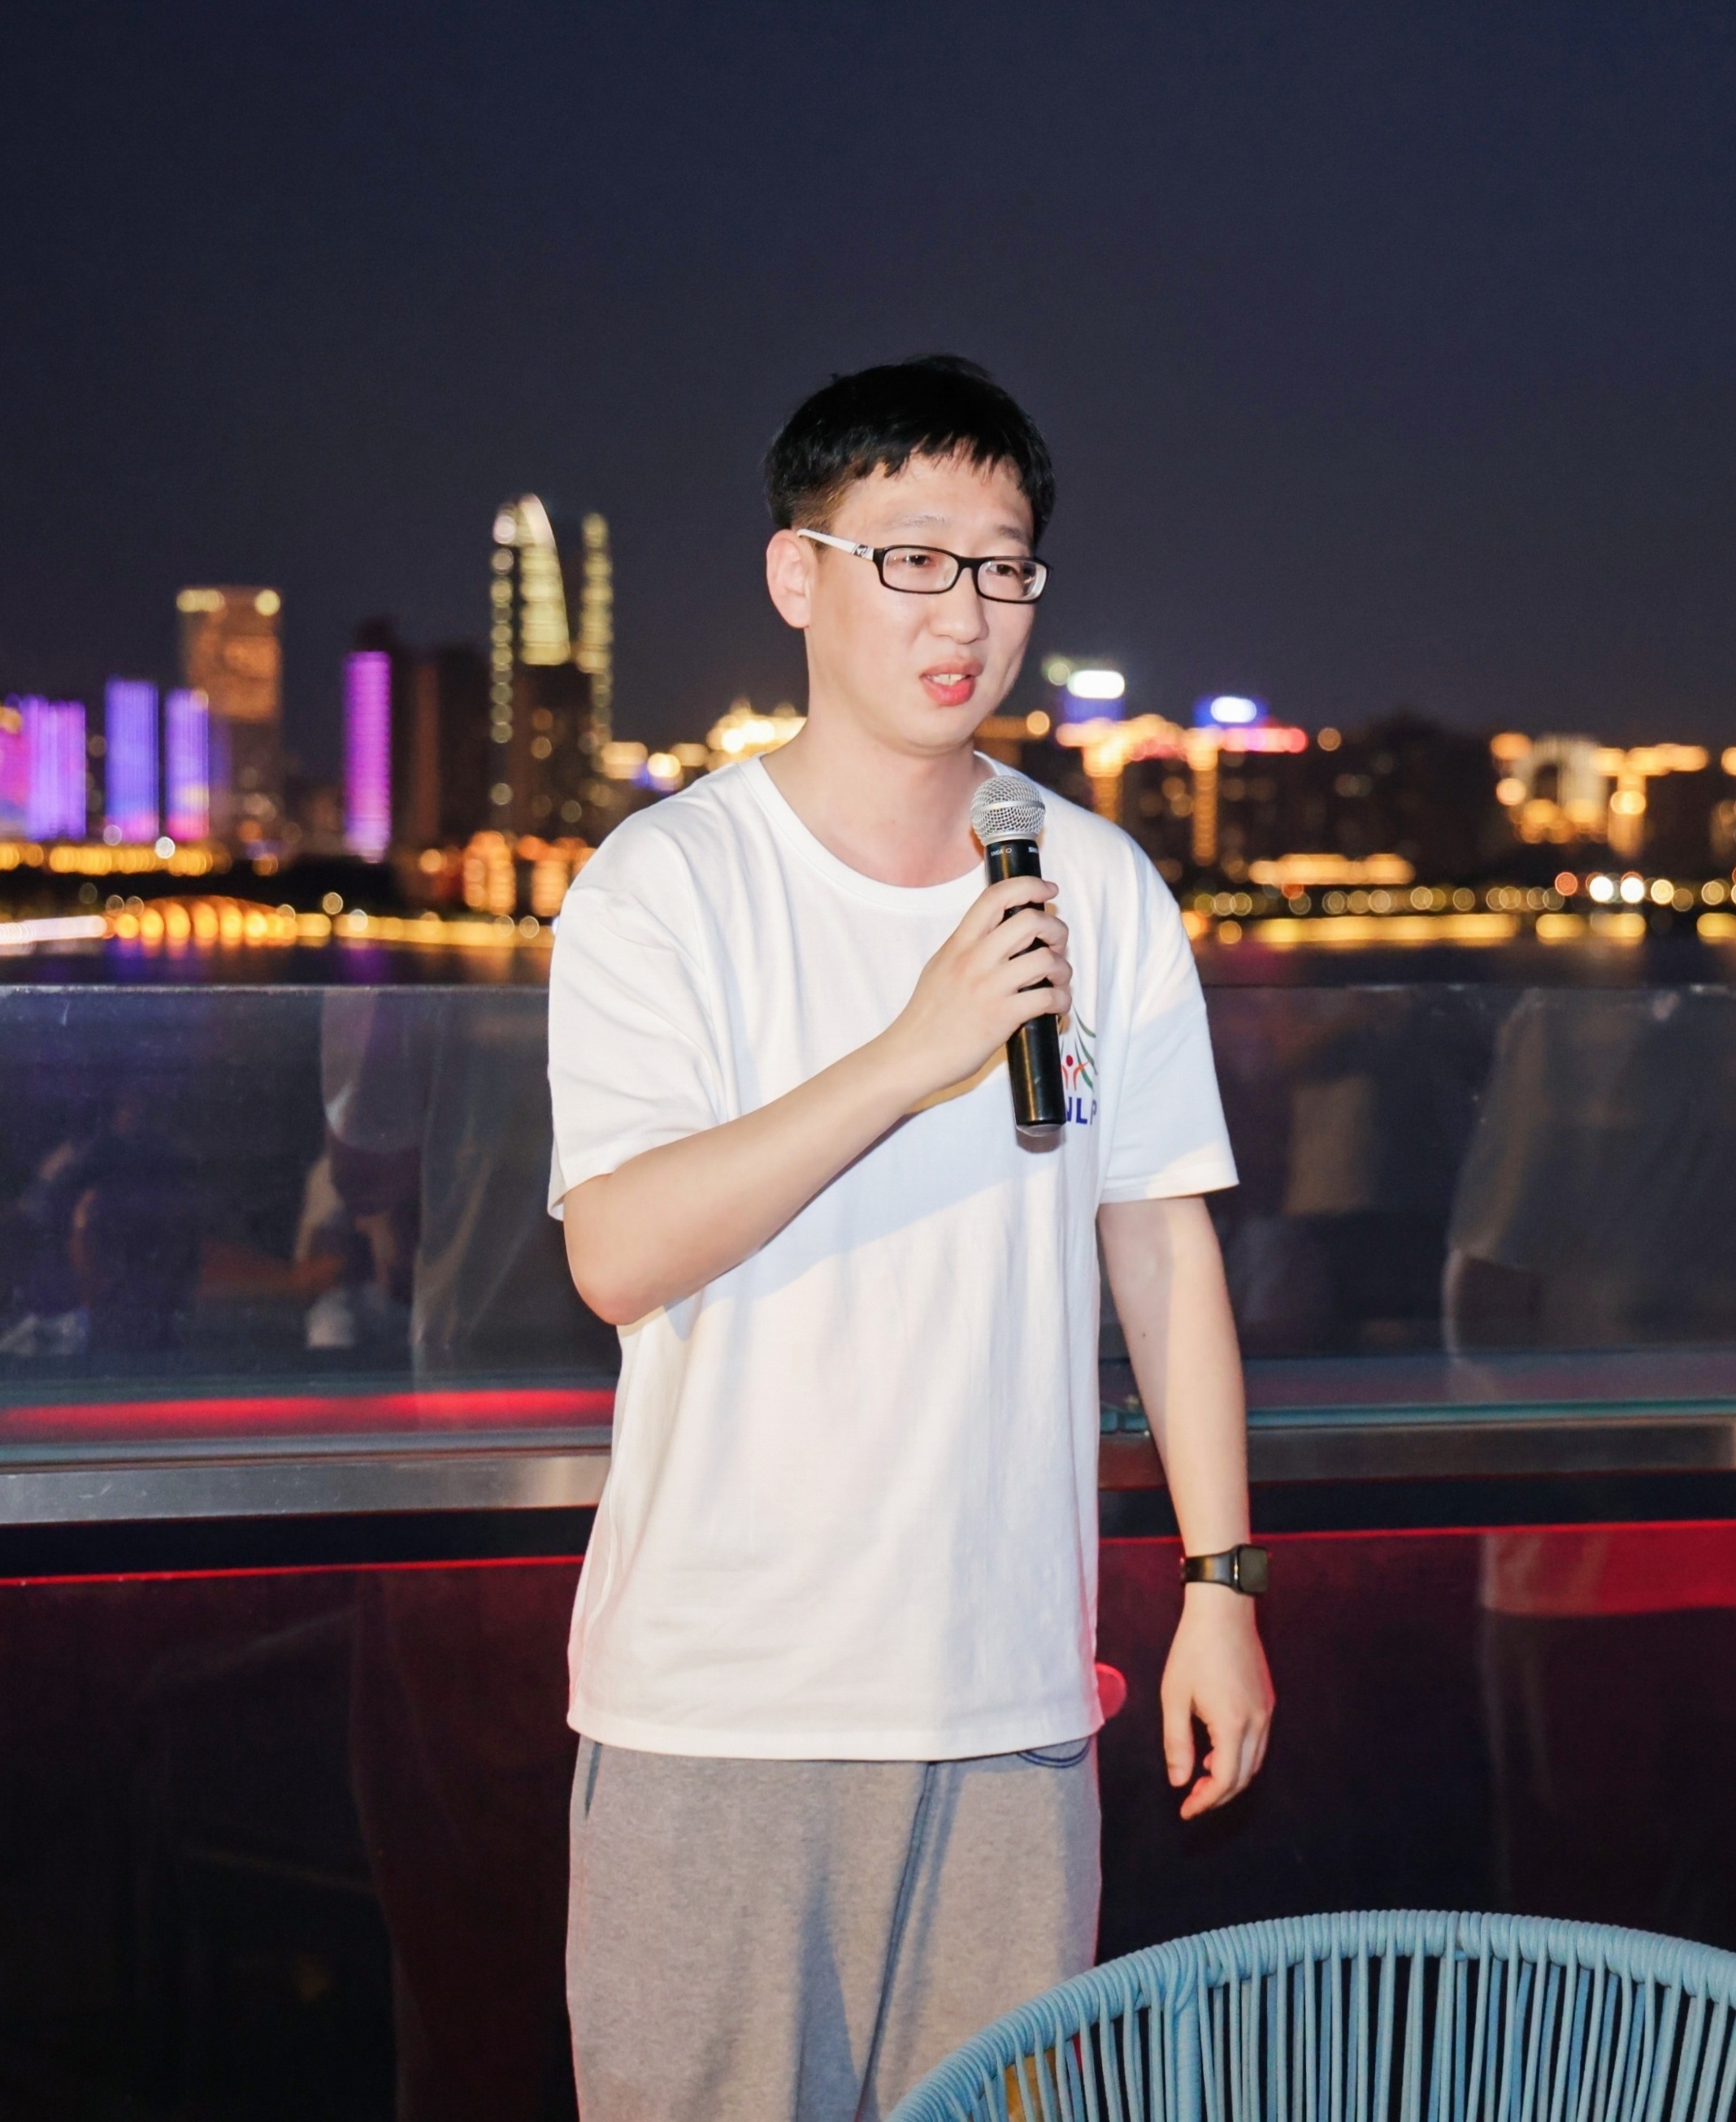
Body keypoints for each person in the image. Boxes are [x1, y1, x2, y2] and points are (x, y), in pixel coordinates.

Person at [547, 355, 1273, 2120]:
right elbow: (617, 1252)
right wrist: (908, 1054)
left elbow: (1162, 1252)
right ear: (796, 576)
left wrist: (1221, 1584)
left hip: (1011, 1701)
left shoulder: (1095, 882)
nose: (966, 613)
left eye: (1002, 566)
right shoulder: (669, 883)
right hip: (725, 1703)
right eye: (914, 559)